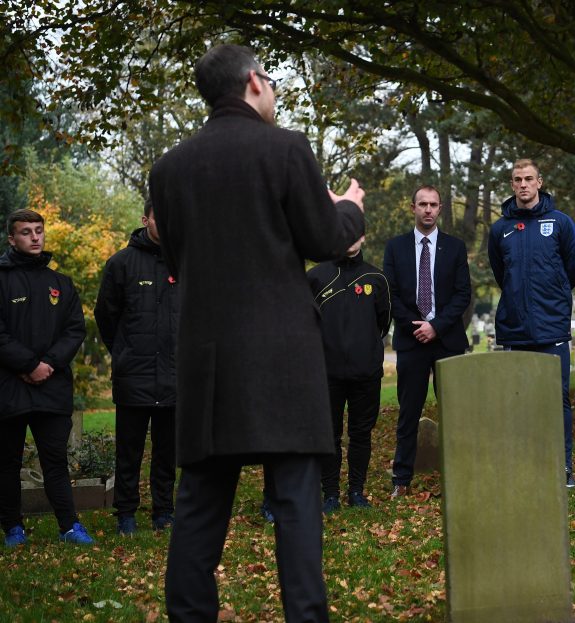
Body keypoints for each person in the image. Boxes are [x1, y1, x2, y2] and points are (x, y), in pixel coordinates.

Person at [149, 44, 364, 621]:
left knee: (198, 507)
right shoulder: (285, 147)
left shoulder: (168, 169)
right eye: (270, 79)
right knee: (296, 502)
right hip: (282, 361)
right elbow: (325, 239)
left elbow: (175, 256)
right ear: (252, 83)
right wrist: (348, 206)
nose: (273, 90)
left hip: (208, 363)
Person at [488, 159, 575, 488]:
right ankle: (526, 465)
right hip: (515, 328)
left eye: (529, 179)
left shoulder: (560, 223)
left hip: (551, 327)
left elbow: (574, 270)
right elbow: (501, 273)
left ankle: (563, 466)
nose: (524, 185)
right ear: (512, 184)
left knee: (557, 399)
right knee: (520, 401)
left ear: (539, 182)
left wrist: (553, 296)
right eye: (518, 180)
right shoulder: (500, 229)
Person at [0, 209, 93, 546]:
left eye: (39, 230)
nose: (35, 237)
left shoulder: (61, 283)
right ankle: (13, 527)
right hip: (9, 389)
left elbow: (74, 330)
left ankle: (69, 526)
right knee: (7, 462)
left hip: (52, 388)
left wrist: (48, 365)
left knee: (55, 461)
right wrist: (27, 365)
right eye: (26, 232)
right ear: (12, 238)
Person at [95, 198, 178, 535]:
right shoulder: (121, 264)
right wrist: (125, 351)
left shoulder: (186, 263)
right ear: (146, 220)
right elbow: (106, 315)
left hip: (174, 377)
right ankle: (126, 513)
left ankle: (164, 511)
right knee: (128, 452)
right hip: (134, 377)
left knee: (167, 453)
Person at [382, 185, 471, 499]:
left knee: (455, 412)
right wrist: (416, 326)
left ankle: (459, 477)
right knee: (408, 414)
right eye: (423, 204)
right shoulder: (396, 248)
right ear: (413, 207)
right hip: (410, 341)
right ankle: (401, 481)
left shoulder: (455, 247)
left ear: (441, 208)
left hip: (447, 340)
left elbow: (463, 295)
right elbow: (389, 294)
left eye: (434, 204)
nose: (428, 210)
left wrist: (435, 326)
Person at [307, 235, 391, 511]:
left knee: (361, 434)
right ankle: (330, 493)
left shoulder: (377, 278)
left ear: (364, 237)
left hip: (365, 372)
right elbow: (307, 322)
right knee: (329, 435)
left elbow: (383, 322)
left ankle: (356, 490)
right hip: (326, 372)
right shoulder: (316, 276)